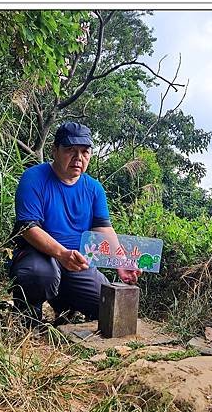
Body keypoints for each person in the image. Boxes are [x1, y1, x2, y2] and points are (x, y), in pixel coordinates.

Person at [8, 121, 141, 324]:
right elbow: (28, 227)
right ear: (55, 150)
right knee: (41, 275)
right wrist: (61, 254)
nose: (78, 158)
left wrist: (120, 262)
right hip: (38, 255)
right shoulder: (33, 178)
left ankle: (64, 304)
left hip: (77, 260)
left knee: (105, 303)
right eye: (70, 150)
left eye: (85, 152)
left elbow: (103, 228)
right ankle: (26, 319)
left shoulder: (94, 188)